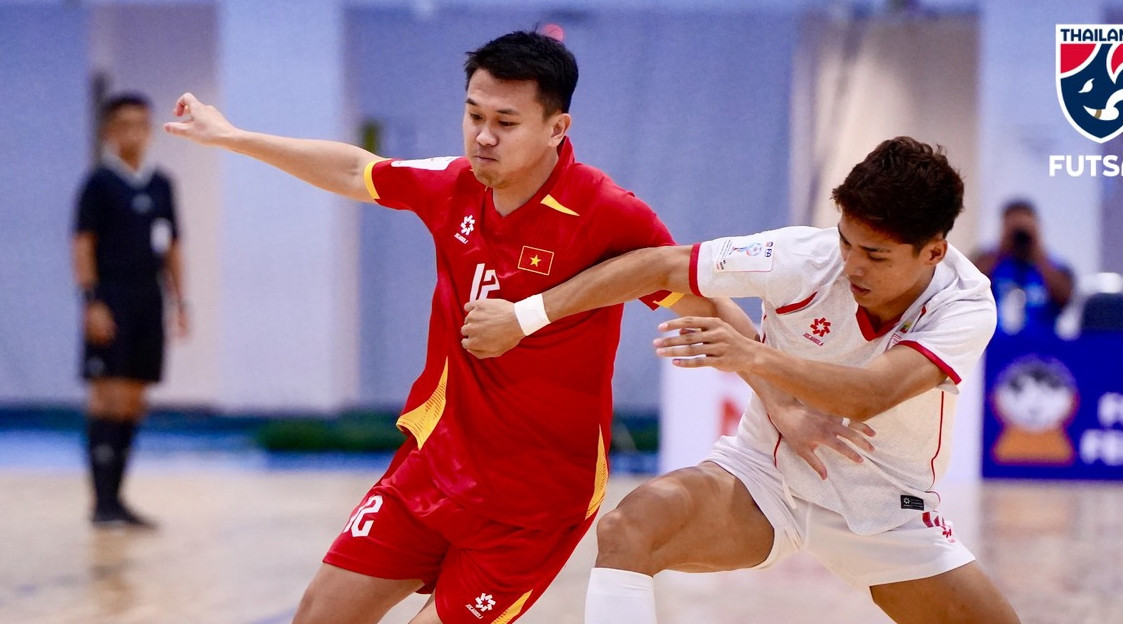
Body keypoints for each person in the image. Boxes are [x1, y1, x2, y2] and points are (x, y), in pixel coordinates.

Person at [164, 31, 751, 624]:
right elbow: (355, 170)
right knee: (318, 616)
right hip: (434, 466)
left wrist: (790, 402)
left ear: (557, 128)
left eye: (505, 121)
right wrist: (232, 137)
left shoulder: (605, 214)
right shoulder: (453, 185)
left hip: (534, 503)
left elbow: (709, 305)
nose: (484, 136)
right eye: (473, 115)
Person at [461, 137, 1022, 623]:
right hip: (766, 477)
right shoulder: (805, 256)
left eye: (874, 255)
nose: (851, 265)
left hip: (886, 507)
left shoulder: (965, 305)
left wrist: (752, 357)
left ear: (933, 253)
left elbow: (871, 394)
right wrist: (523, 316)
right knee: (628, 531)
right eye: (846, 241)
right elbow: (658, 264)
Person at [73, 93, 188, 529]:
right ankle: (101, 501)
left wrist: (180, 301)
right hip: (111, 296)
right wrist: (91, 300)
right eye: (123, 124)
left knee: (135, 399)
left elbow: (174, 246)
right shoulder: (98, 184)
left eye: (141, 123)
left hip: (149, 298)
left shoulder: (162, 184)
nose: (133, 133)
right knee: (107, 395)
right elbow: (82, 244)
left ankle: (118, 498)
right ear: (108, 131)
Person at [973, 199, 1074, 337]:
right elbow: (970, 288)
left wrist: (1037, 250)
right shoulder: (988, 260)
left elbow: (1065, 298)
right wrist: (1002, 247)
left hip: (1042, 347)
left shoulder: (1053, 266)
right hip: (993, 346)